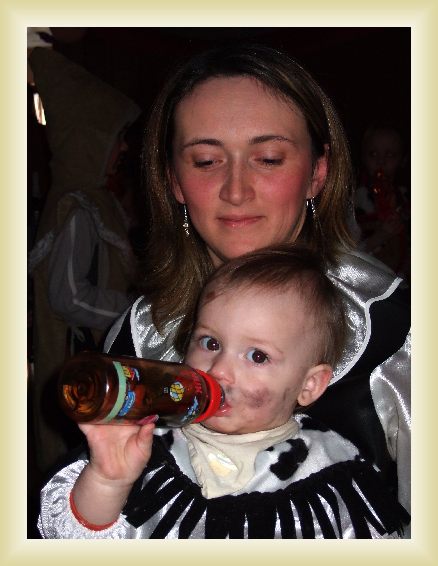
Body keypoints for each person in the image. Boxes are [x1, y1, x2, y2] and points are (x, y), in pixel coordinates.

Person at [36, 43, 410, 527]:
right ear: (173, 180)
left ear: (318, 172)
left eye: (268, 158)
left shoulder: (392, 329)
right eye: (206, 161)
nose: (236, 190)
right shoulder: (140, 338)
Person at [38, 245, 409, 538]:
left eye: (257, 356)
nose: (218, 370)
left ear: (309, 385)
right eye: (210, 343)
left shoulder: (332, 471)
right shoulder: (148, 445)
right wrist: (108, 480)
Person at [28, 45, 141, 475]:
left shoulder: (96, 201)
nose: (123, 146)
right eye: (114, 137)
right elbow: (69, 296)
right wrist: (135, 310)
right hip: (80, 356)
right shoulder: (76, 208)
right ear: (89, 140)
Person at [354, 123, 410, 280]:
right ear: (363, 157)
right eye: (373, 154)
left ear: (402, 160)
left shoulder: (405, 198)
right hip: (366, 280)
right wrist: (381, 236)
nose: (381, 161)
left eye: (390, 155)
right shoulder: (355, 200)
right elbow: (347, 254)